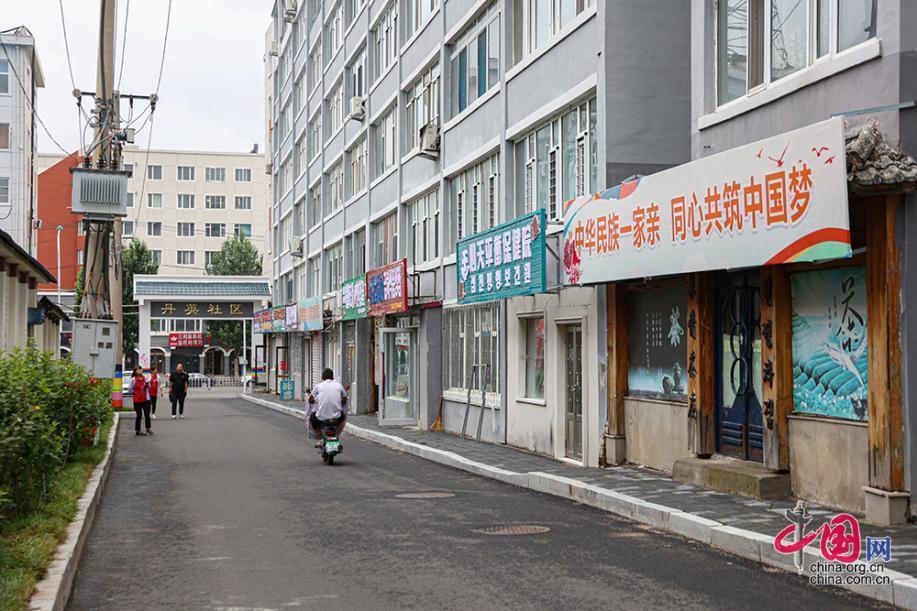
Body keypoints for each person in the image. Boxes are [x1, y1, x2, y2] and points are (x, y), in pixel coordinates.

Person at [306, 368, 348, 443]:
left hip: (321, 417)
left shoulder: (318, 386)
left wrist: (314, 401)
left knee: (312, 418)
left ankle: (319, 434)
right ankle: (337, 433)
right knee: (343, 417)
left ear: (322, 377)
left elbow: (310, 400)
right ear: (333, 377)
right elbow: (344, 399)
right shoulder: (339, 386)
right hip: (336, 417)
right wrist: (339, 403)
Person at [126, 366, 152, 436]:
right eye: (138, 369)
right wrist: (136, 392)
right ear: (135, 371)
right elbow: (129, 389)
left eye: (141, 369)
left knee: (147, 414)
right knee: (139, 415)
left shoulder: (145, 378)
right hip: (137, 400)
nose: (140, 370)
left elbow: (149, 386)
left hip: (146, 399)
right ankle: (138, 430)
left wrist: (147, 385)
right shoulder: (133, 380)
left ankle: (148, 428)